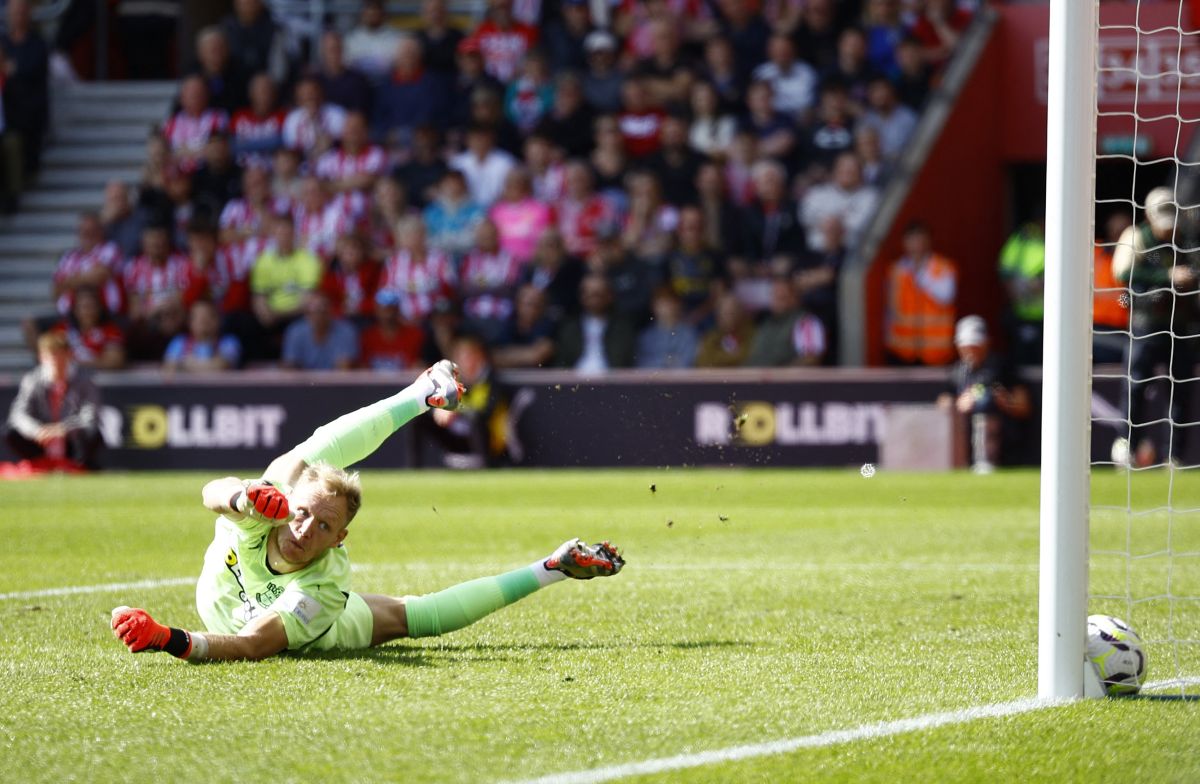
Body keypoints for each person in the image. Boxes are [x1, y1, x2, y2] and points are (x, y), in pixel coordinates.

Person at [109, 360, 625, 661]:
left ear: (340, 540)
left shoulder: (324, 589)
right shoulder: (272, 507)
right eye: (304, 514)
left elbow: (252, 644)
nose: (305, 529)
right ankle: (422, 393)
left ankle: (553, 568)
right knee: (293, 462)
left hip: (319, 631)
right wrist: (244, 495)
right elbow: (211, 493)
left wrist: (167, 639)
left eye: (325, 526)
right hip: (254, 527)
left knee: (413, 618)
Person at [1110, 187, 1200, 468]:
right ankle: (1128, 445)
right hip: (1146, 324)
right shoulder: (1137, 237)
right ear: (1149, 215)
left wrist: (1189, 279)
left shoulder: (1186, 240)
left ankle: (1173, 454)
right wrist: (1167, 276)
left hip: (1180, 325)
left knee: (1180, 389)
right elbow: (1124, 274)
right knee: (1136, 385)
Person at [936, 315, 1031, 473]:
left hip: (1005, 443)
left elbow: (1024, 406)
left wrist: (1005, 402)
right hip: (964, 447)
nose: (971, 350)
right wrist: (958, 405)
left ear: (986, 343)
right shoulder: (956, 372)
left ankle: (987, 458)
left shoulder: (1002, 368)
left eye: (976, 345)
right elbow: (942, 403)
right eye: (967, 346)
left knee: (985, 401)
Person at [5, 332, 102, 470]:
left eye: (59, 354)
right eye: (50, 355)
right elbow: (18, 414)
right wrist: (36, 431)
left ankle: (79, 465)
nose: (55, 360)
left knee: (93, 432)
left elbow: (90, 416)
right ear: (41, 357)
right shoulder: (32, 380)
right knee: (10, 432)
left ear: (69, 355)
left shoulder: (85, 381)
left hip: (71, 439)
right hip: (41, 439)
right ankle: (39, 462)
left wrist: (63, 429)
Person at [883, 221, 958, 366]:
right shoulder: (896, 270)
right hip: (902, 351)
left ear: (928, 241)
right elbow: (889, 311)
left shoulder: (942, 267)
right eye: (912, 240)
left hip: (935, 353)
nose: (916, 245)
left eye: (920, 240)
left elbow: (946, 296)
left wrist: (921, 273)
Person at [998, 218, 1046, 366]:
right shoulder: (1022, 238)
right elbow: (1005, 270)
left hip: (1050, 316)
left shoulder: (1065, 236)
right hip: (1022, 313)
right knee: (1022, 361)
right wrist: (1017, 291)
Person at [281, 291, 360, 371]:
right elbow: (290, 366)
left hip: (335, 381)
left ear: (330, 311)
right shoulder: (295, 331)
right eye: (314, 311)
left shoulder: (346, 331)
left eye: (323, 311)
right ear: (306, 314)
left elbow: (344, 368)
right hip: (303, 382)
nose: (319, 316)